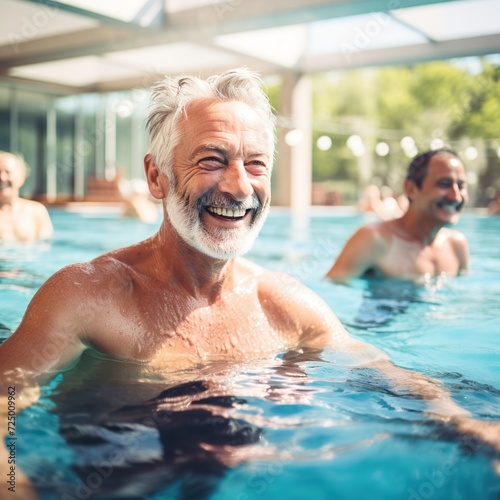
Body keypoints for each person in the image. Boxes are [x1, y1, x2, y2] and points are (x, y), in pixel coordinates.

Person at [0, 72, 497, 498]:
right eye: (212, 160)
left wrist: (463, 422)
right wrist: (10, 481)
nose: (239, 186)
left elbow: (381, 372)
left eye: (255, 163)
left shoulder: (282, 304)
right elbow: (5, 402)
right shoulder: (89, 295)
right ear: (158, 177)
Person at [326, 148, 469, 283]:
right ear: (411, 189)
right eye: (444, 184)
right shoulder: (374, 240)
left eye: (461, 186)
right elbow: (332, 290)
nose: (456, 197)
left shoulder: (457, 245)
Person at [0, 151, 54, 242]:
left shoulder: (37, 212)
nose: (2, 177)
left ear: (21, 177)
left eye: (8, 172)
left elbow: (47, 246)